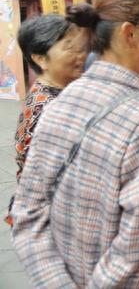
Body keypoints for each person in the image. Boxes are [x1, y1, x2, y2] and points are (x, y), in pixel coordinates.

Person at [11, 0, 139, 287]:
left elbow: (26, 215)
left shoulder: (61, 100)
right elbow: (132, 256)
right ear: (130, 33)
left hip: (70, 271)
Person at [5, 15, 88, 226]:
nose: (82, 55)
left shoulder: (62, 93)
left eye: (81, 47)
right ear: (40, 59)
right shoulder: (48, 107)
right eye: (70, 49)